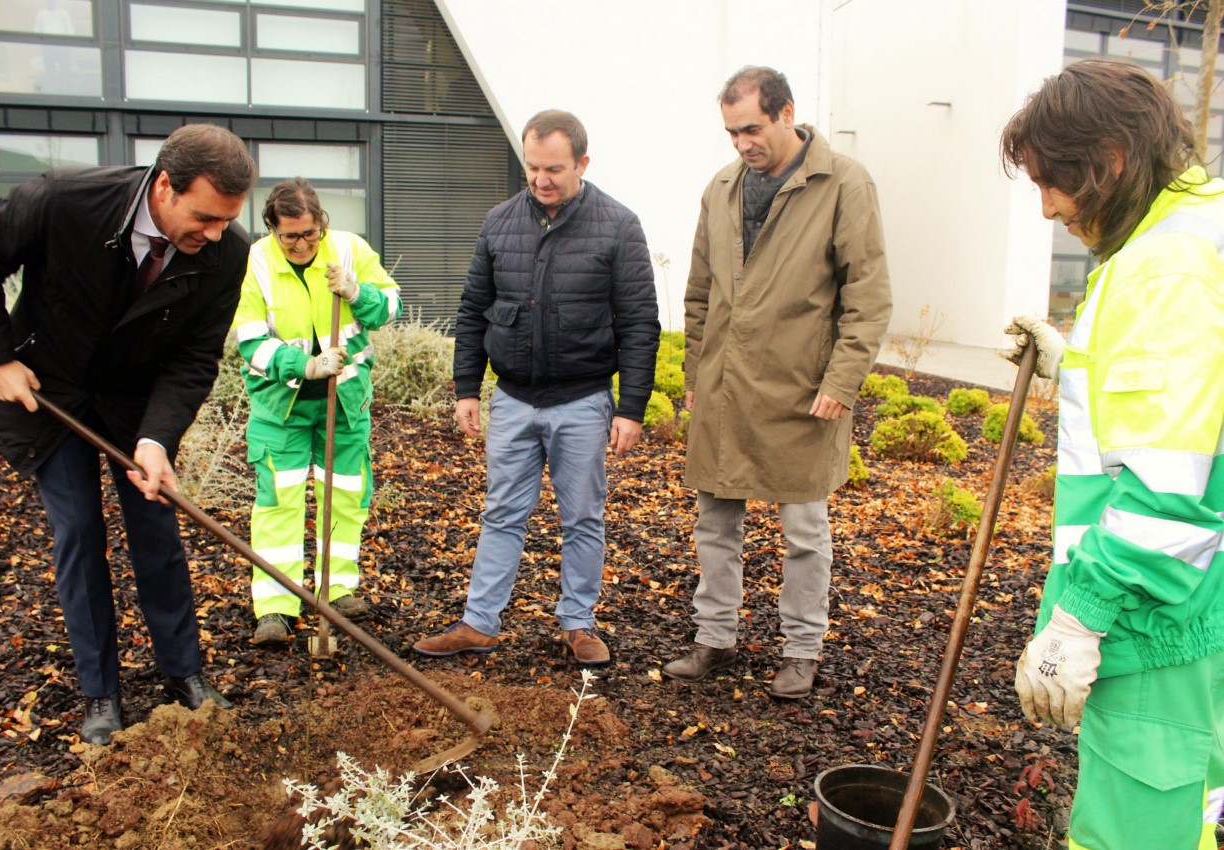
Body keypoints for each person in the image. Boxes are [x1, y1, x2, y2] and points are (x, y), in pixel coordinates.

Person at [0, 124, 256, 745]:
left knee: (156, 531)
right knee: (80, 536)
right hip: (48, 392)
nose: (216, 234)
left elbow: (194, 357)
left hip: (134, 405)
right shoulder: (65, 200)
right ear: (164, 186)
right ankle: (100, 693)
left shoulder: (227, 251)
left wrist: (157, 439)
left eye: (227, 220)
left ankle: (185, 674)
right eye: (204, 217)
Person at [1001, 58, 1224, 850]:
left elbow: (1169, 489)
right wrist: (1073, 364)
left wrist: (1078, 618)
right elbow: (1190, 418)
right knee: (1193, 811)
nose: (1045, 207)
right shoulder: (1198, 235)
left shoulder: (1162, 269)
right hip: (1200, 608)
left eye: (1051, 182)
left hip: (1155, 617)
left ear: (1111, 160)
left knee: (1134, 831)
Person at [662, 67, 891, 698]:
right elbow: (700, 293)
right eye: (732, 132)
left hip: (804, 392)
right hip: (726, 389)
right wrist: (696, 375)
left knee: (805, 532)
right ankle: (714, 638)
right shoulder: (722, 187)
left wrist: (843, 382)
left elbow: (868, 298)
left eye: (752, 129)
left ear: (787, 113)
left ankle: (802, 649)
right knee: (714, 522)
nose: (741, 143)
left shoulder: (844, 182)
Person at [412, 109, 659, 666]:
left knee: (582, 518)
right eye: (533, 169)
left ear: (582, 163)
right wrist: (467, 388)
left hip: (583, 399)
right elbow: (473, 310)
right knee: (501, 512)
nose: (542, 180)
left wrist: (633, 407)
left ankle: (578, 623)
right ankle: (480, 623)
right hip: (515, 398)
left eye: (554, 169)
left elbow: (640, 322)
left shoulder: (618, 225)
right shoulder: (499, 223)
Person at [233, 178, 400, 646]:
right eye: (290, 236)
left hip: (343, 402)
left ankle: (337, 589)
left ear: (320, 222)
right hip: (280, 406)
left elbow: (390, 306)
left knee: (345, 495)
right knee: (278, 503)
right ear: (272, 230)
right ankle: (276, 604)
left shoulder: (348, 250)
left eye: (310, 233)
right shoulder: (258, 262)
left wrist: (356, 292)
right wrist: (304, 365)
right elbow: (249, 342)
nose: (303, 244)